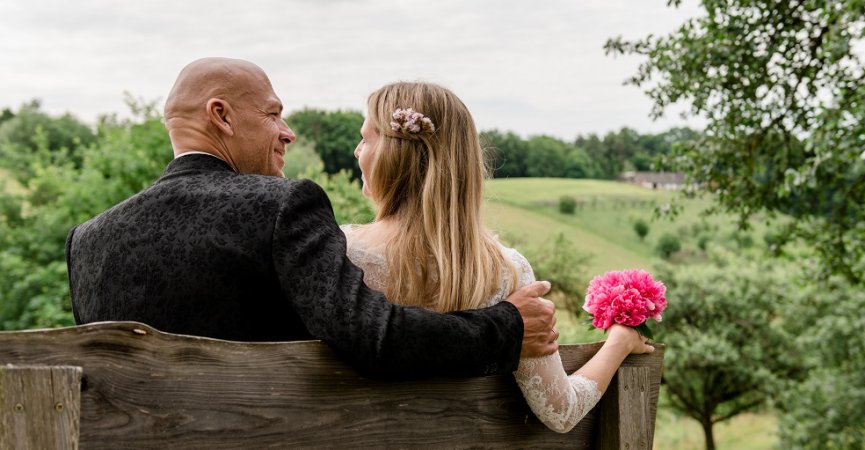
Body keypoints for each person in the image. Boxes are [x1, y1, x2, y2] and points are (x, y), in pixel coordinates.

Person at [66, 57, 559, 380]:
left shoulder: (87, 241)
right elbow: (376, 336)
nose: (288, 133)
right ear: (221, 115)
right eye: (273, 114)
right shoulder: (280, 205)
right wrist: (508, 325)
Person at [342, 81, 656, 432]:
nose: (357, 151)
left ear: (392, 154)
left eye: (366, 139)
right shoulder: (505, 272)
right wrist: (620, 341)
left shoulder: (338, 253)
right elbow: (561, 411)